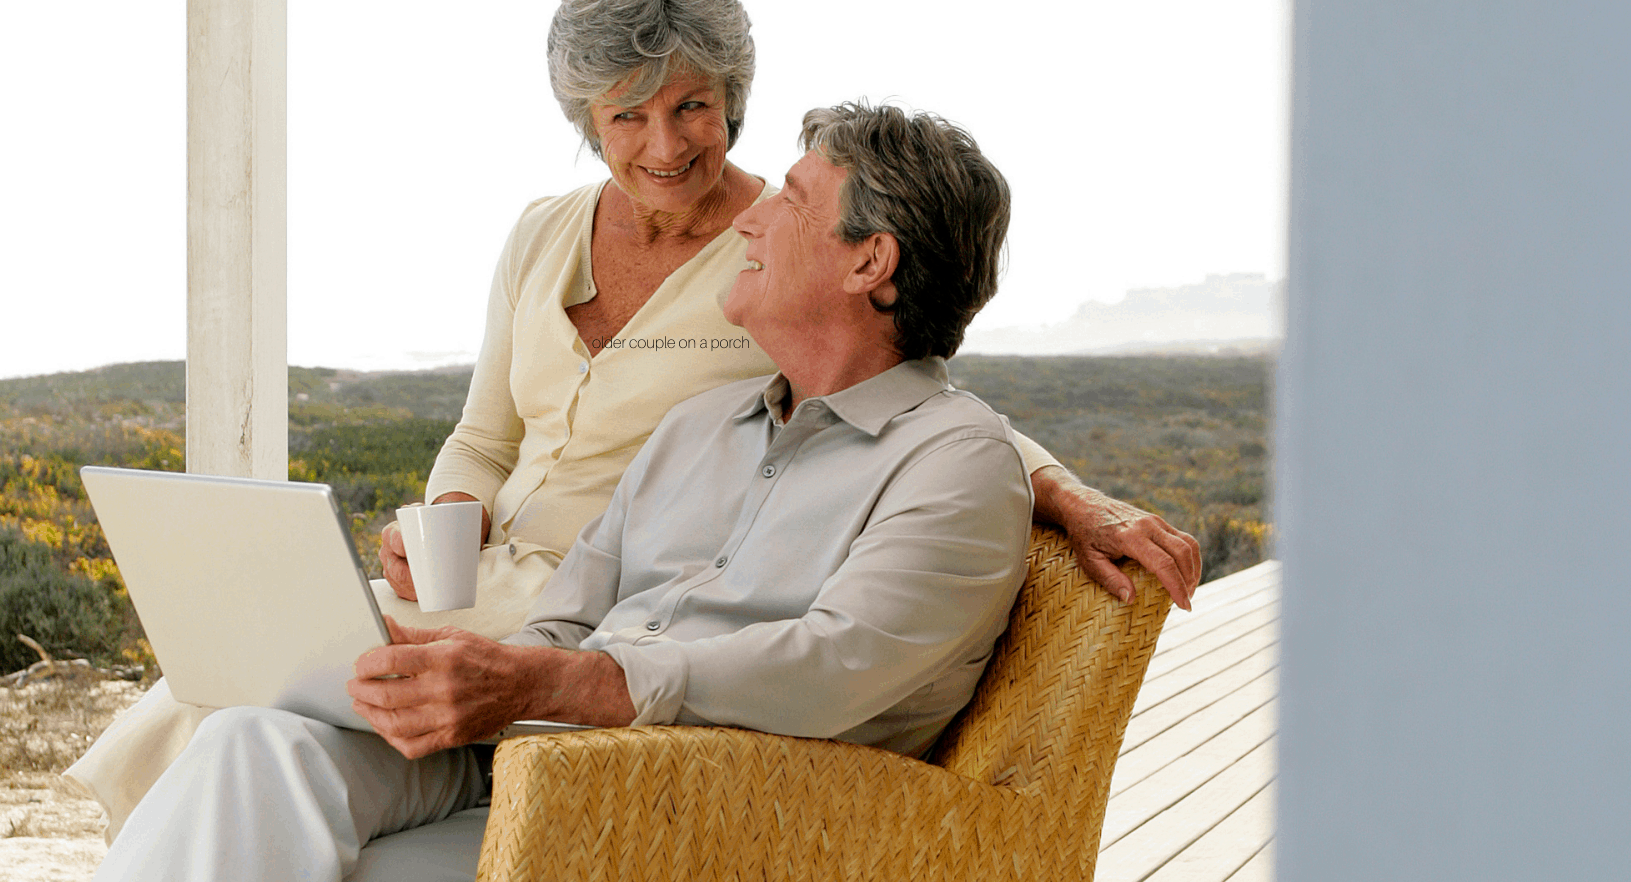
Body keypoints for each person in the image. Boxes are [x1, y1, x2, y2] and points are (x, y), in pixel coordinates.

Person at [64, 0, 1202, 838]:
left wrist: (1062, 490)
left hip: (594, 657)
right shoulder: (573, 268)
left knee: (268, 718)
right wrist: (454, 520)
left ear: (733, 96)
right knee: (232, 711)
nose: (667, 142)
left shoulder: (789, 271)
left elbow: (923, 406)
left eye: (693, 104)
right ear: (586, 118)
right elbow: (481, 435)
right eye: (629, 114)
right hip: (518, 599)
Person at [95, 102, 1038, 881]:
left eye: (788, 202)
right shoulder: (698, 432)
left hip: (694, 817)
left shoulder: (956, 464)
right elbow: (565, 625)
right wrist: (450, 663)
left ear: (870, 262)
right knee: (248, 747)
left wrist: (550, 682)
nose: (749, 219)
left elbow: (834, 669)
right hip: (537, 753)